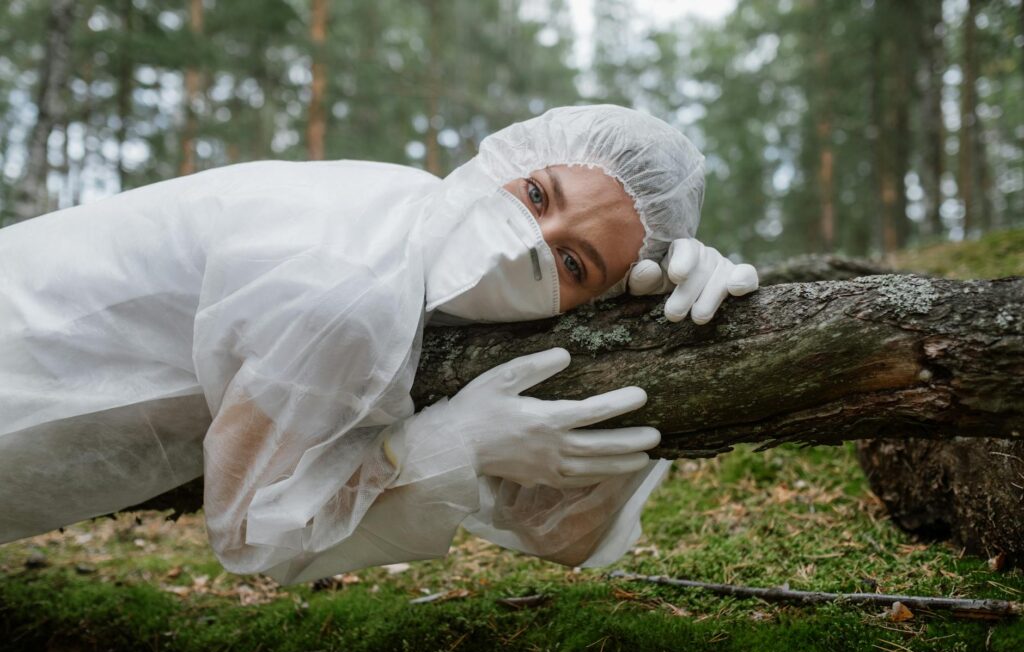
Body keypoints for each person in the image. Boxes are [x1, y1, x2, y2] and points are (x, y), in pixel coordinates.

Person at [0, 105, 757, 584]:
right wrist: (445, 447)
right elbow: (254, 538)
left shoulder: (412, 223)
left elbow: (560, 532)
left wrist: (678, 327)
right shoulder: (349, 284)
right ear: (512, 156)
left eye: (571, 262)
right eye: (535, 195)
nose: (530, 239)